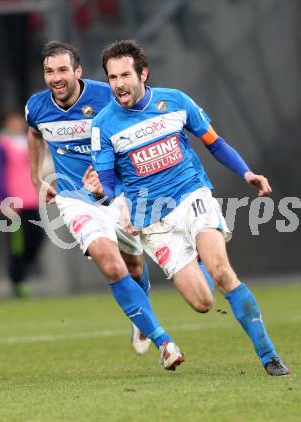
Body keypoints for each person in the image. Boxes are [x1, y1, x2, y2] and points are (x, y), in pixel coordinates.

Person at [88, 39, 291, 376]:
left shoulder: (176, 102)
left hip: (191, 196)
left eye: (125, 75)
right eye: (112, 77)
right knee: (202, 303)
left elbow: (215, 143)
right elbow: (108, 182)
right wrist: (102, 193)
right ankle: (195, 257)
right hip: (152, 222)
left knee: (222, 272)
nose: (119, 84)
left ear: (143, 73)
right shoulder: (103, 126)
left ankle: (269, 356)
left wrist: (247, 172)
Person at [25, 40, 186, 369]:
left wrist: (109, 173)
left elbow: (135, 128)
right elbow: (35, 133)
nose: (56, 77)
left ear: (78, 71)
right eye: (49, 71)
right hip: (75, 200)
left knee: (135, 267)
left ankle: (140, 318)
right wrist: (35, 176)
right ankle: (163, 342)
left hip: (118, 194)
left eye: (62, 70)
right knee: (110, 265)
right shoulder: (37, 107)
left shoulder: (105, 96)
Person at [0, 111, 45, 298]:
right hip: (13, 202)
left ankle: (22, 270)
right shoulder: (1, 144)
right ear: (6, 123)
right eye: (13, 121)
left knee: (37, 237)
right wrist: (5, 198)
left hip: (31, 199)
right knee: (17, 244)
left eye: (19, 120)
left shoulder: (28, 140)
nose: (17, 124)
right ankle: (18, 281)